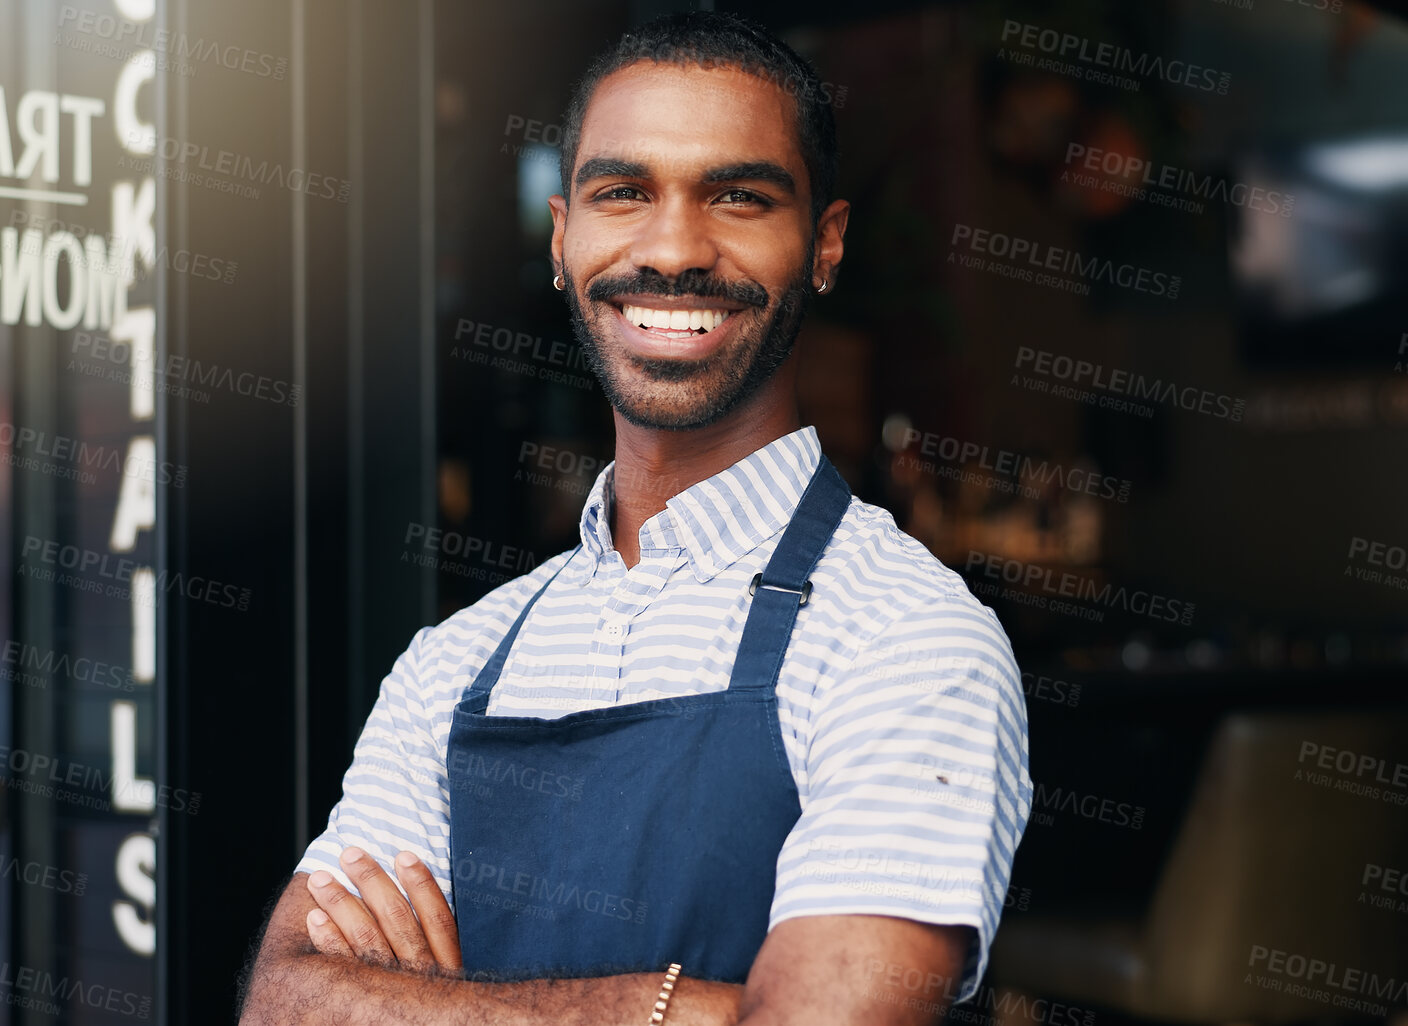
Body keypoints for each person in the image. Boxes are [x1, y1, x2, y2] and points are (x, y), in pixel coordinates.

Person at [240, 12, 1030, 1024]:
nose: (672, 248)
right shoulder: (450, 666)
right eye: (624, 193)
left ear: (824, 246)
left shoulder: (908, 640)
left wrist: (430, 1007)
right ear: (564, 240)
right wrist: (672, 1007)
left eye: (739, 197)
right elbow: (286, 1000)